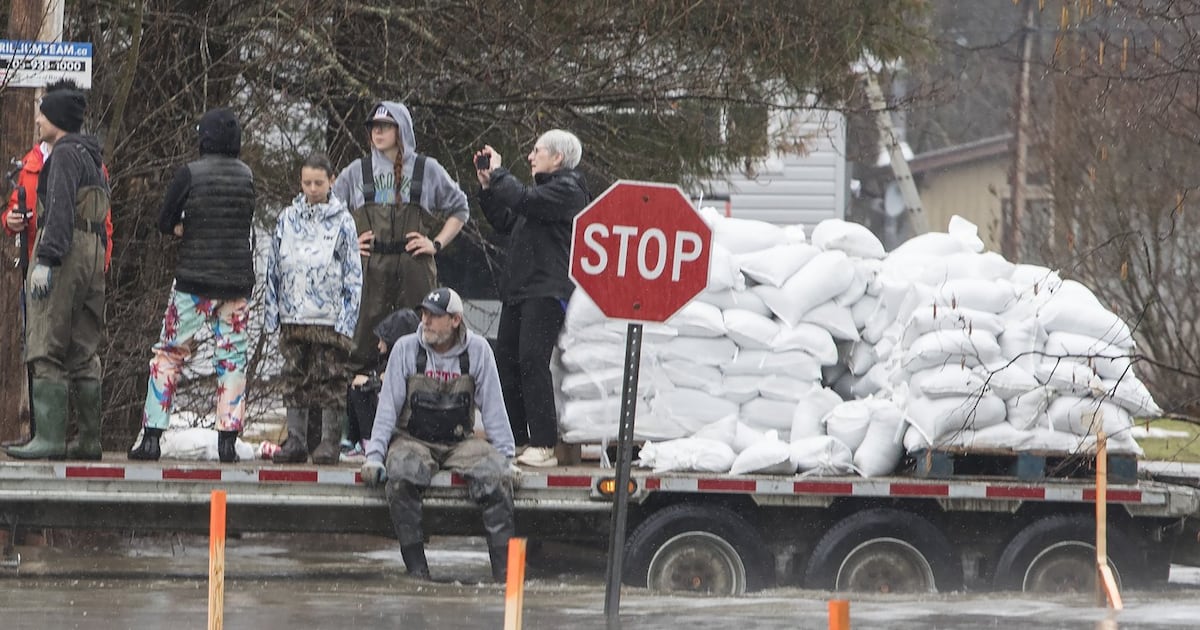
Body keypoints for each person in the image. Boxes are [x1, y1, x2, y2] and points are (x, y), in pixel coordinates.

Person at [360, 287, 515, 582]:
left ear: (455, 320)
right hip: (413, 440)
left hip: (460, 443)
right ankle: (417, 571)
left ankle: (505, 577)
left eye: (434, 316)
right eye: (424, 314)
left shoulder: (478, 350)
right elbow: (387, 409)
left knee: (496, 478)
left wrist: (507, 459)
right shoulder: (406, 348)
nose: (426, 321)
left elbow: (494, 409)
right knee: (401, 475)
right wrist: (374, 457)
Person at [127, 108, 256, 463]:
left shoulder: (190, 173)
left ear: (205, 138)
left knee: (169, 354)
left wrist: (185, 228)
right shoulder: (247, 176)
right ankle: (227, 441)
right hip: (235, 283)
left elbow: (164, 220)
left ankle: (152, 438)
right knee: (232, 359)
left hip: (193, 282)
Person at [331, 101, 470, 423]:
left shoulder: (426, 169)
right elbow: (329, 214)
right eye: (373, 127)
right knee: (360, 346)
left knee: (423, 340)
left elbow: (460, 208)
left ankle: (423, 419)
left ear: (402, 130)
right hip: (369, 269)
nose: (377, 132)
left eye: (385, 126)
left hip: (414, 268)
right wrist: (348, 244)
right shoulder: (357, 171)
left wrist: (435, 243)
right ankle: (355, 428)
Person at [4, 80, 110, 460]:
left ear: (58, 119)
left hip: (65, 253)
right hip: (93, 255)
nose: (37, 120)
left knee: (45, 343)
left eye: (43, 114)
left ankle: (48, 438)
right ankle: (89, 441)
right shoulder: (92, 156)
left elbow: (61, 212)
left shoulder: (63, 155)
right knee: (83, 348)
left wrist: (46, 260)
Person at [474, 130, 591, 467]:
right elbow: (505, 220)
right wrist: (487, 187)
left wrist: (499, 173)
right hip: (519, 290)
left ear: (557, 157)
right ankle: (517, 439)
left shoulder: (569, 189)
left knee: (532, 360)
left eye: (537, 150)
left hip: (546, 290)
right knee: (506, 361)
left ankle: (543, 443)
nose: (530, 156)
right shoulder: (538, 196)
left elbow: (522, 200)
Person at [264, 153, 363, 465]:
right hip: (293, 313)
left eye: (318, 182)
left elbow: (353, 272)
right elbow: (273, 265)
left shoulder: (343, 221)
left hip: (330, 316)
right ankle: (296, 439)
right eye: (307, 182)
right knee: (294, 375)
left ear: (331, 181)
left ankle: (329, 441)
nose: (312, 188)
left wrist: (347, 318)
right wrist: (272, 311)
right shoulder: (287, 218)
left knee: (331, 377)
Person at [344, 307, 421, 461]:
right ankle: (355, 440)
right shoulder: (389, 361)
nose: (379, 345)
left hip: (407, 423)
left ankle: (368, 441)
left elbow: (398, 388)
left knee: (361, 390)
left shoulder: (411, 361)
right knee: (357, 386)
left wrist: (371, 383)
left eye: (382, 340)